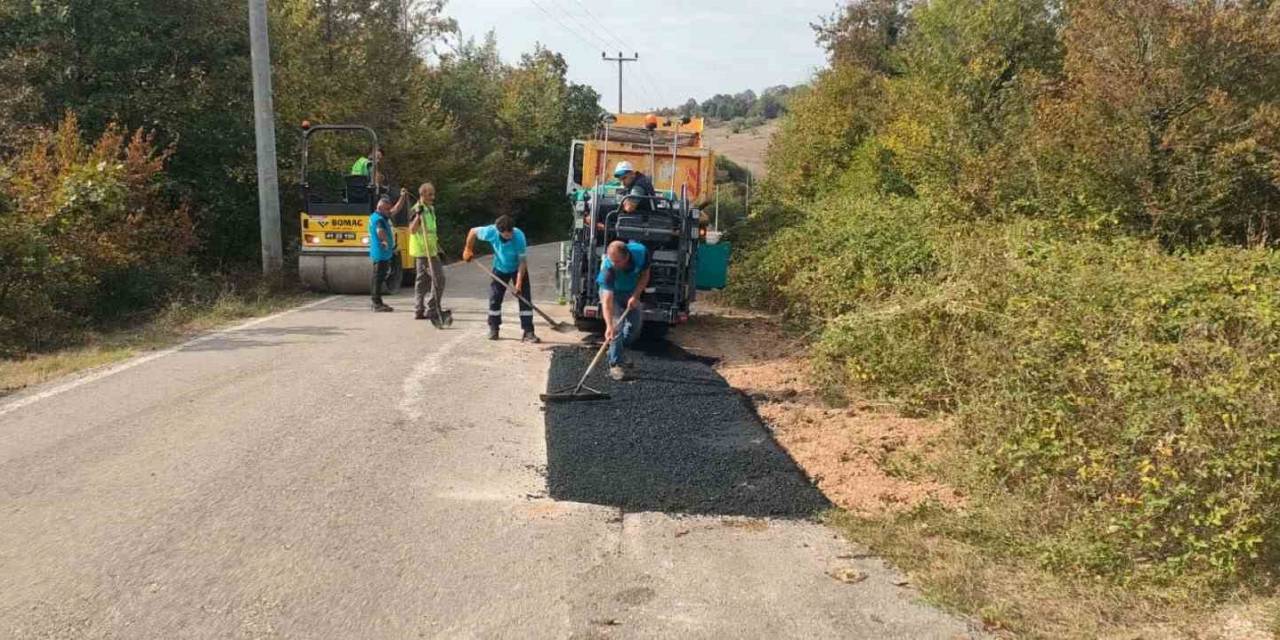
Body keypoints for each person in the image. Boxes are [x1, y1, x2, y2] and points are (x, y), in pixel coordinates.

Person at [462, 215, 540, 343]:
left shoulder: (519, 237)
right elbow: (472, 232)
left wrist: (518, 285)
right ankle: (494, 329)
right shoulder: (490, 232)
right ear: (498, 231)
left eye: (510, 234)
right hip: (500, 268)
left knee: (525, 299)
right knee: (495, 298)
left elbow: (522, 263)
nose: (508, 237)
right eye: (505, 235)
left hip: (517, 268)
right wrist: (468, 249)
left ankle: (528, 331)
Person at [597, 238, 650, 381]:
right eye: (611, 260)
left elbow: (645, 275)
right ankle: (615, 364)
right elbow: (607, 301)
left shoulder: (641, 252)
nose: (614, 264)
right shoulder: (608, 269)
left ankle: (615, 351)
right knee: (616, 329)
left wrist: (635, 295)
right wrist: (609, 326)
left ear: (626, 256)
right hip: (612, 293)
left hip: (631, 292)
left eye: (618, 262)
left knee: (634, 328)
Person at [408, 182, 449, 325]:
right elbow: (412, 230)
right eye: (430, 194)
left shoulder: (430, 209)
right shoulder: (417, 209)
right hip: (422, 251)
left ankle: (420, 309)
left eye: (433, 194)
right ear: (422, 195)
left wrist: (438, 247)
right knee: (438, 279)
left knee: (424, 281)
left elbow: (431, 231)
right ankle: (431, 308)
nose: (433, 197)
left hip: (431, 250)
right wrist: (418, 216)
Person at [369, 188, 410, 312]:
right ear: (380, 208)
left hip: (384, 252)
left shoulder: (381, 215)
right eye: (387, 209)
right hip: (380, 252)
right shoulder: (378, 219)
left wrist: (402, 197)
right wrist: (385, 241)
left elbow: (396, 209)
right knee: (378, 277)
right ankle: (376, 303)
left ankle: (378, 302)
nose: (389, 211)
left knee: (380, 277)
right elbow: (379, 231)